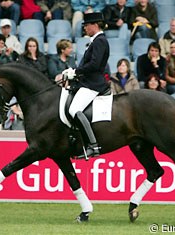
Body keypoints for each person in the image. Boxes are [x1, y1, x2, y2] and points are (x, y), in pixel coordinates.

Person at [62, 12, 109, 158]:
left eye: (87, 25)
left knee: (74, 109)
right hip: (86, 82)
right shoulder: (96, 41)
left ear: (95, 25)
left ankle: (93, 145)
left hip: (93, 83)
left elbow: (94, 65)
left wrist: (75, 71)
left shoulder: (100, 41)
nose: (85, 28)